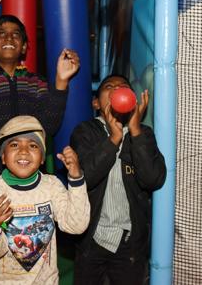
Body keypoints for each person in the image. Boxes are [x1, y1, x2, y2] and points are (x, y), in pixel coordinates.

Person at [0, 14, 80, 283]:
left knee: (30, 249)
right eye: (1, 33)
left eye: (16, 34)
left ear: (25, 46)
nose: (9, 37)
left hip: (27, 187)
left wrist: (60, 82)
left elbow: (48, 125)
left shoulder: (35, 83)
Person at [70, 74, 167, 285]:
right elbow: (84, 177)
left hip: (129, 242)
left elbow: (152, 179)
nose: (117, 90)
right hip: (91, 240)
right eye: (109, 87)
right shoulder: (85, 132)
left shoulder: (144, 134)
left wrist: (135, 131)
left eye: (123, 87)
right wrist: (114, 139)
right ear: (96, 103)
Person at [0, 115, 90, 284]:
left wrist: (76, 178)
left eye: (33, 145)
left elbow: (76, 225)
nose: (24, 151)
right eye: (14, 144)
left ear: (43, 158)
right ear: (3, 157)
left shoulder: (51, 186)